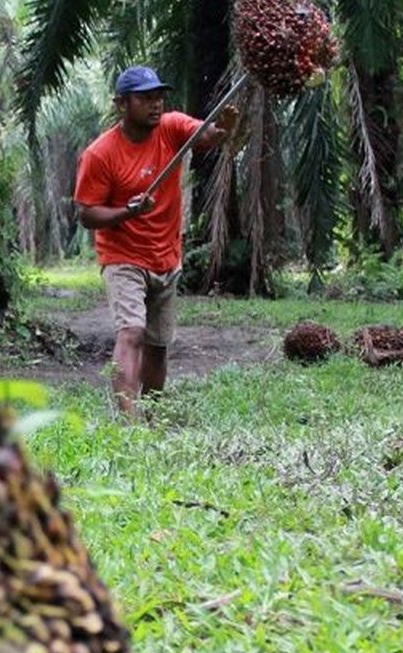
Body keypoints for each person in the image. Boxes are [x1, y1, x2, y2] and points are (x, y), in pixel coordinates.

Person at [73, 65, 239, 420]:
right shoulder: (100, 154)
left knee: (159, 345)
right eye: (146, 98)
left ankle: (153, 416)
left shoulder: (173, 127)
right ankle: (128, 420)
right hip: (122, 257)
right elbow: (86, 213)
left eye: (159, 97)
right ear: (122, 104)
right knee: (131, 332)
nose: (156, 105)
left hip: (165, 256)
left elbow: (207, 136)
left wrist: (224, 128)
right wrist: (124, 214)